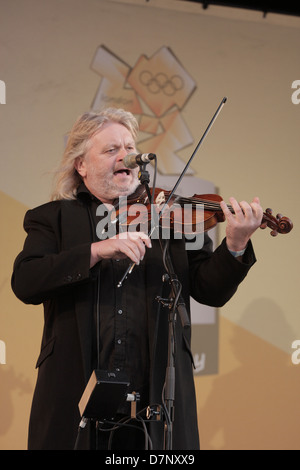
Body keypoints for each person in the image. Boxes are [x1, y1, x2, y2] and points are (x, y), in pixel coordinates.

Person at [11, 108, 263, 450]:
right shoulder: (52, 218)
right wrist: (97, 251)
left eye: (129, 147)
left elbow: (210, 291)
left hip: (158, 397)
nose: (125, 156)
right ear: (81, 165)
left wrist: (235, 245)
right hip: (77, 393)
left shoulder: (170, 218)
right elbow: (26, 280)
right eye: (111, 149)